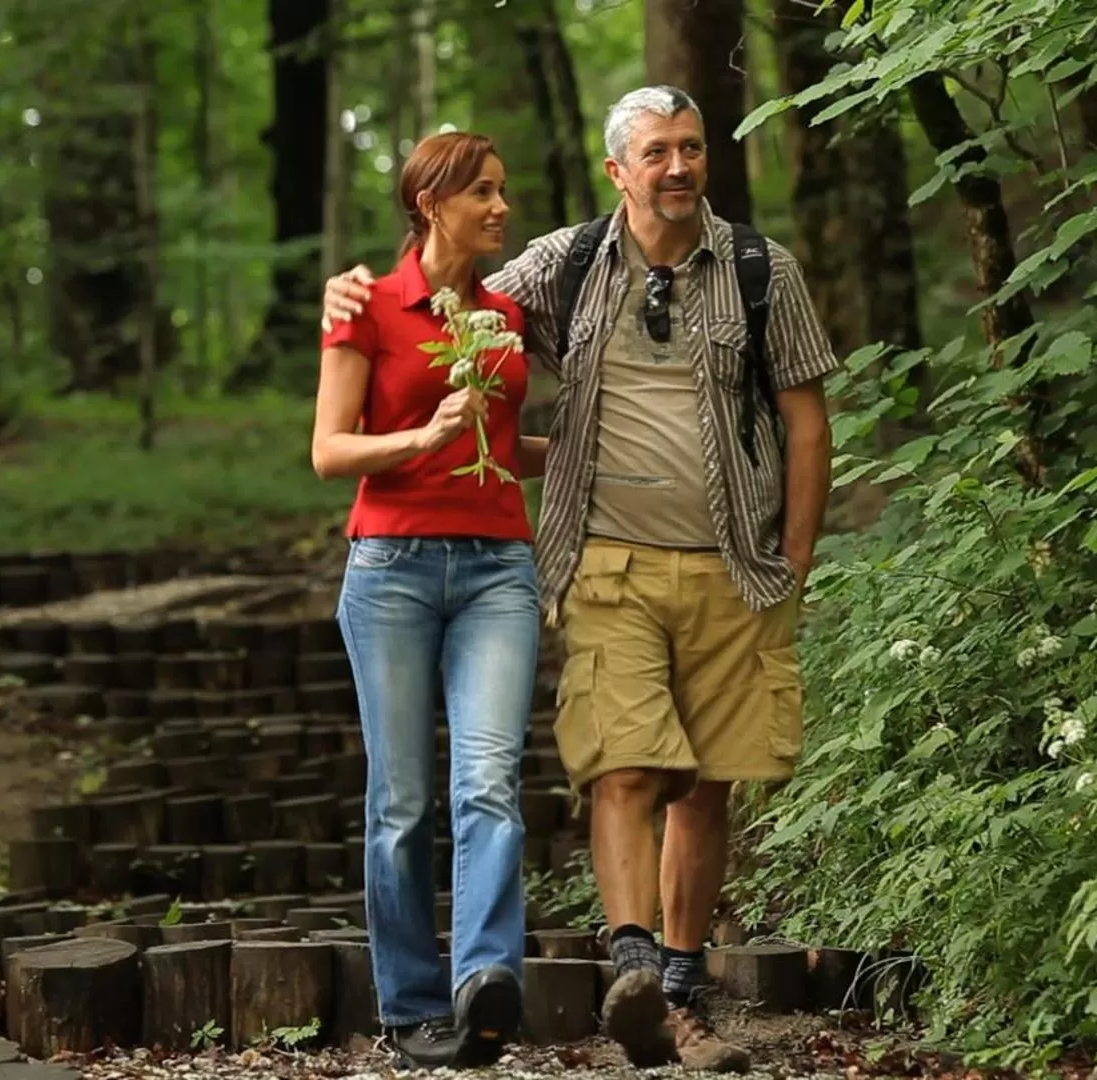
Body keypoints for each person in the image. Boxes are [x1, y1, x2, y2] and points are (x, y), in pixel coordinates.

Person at [320, 86, 839, 1072]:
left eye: (691, 148)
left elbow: (806, 421)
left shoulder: (762, 271)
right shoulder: (558, 267)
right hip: (596, 559)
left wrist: (796, 557)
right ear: (619, 170)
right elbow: (443, 303)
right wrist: (351, 295)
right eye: (657, 152)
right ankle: (624, 963)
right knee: (620, 765)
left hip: (732, 560)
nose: (678, 166)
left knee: (701, 783)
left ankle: (664, 989)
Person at [310, 130, 547, 1070]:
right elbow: (329, 451)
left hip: (498, 568)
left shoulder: (503, 312)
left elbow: (501, 442)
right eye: (483, 193)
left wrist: (580, 454)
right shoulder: (367, 304)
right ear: (431, 204)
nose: (501, 208)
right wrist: (418, 436)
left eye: (502, 189)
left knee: (487, 782)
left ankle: (486, 983)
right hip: (391, 570)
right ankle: (409, 1005)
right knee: (402, 801)